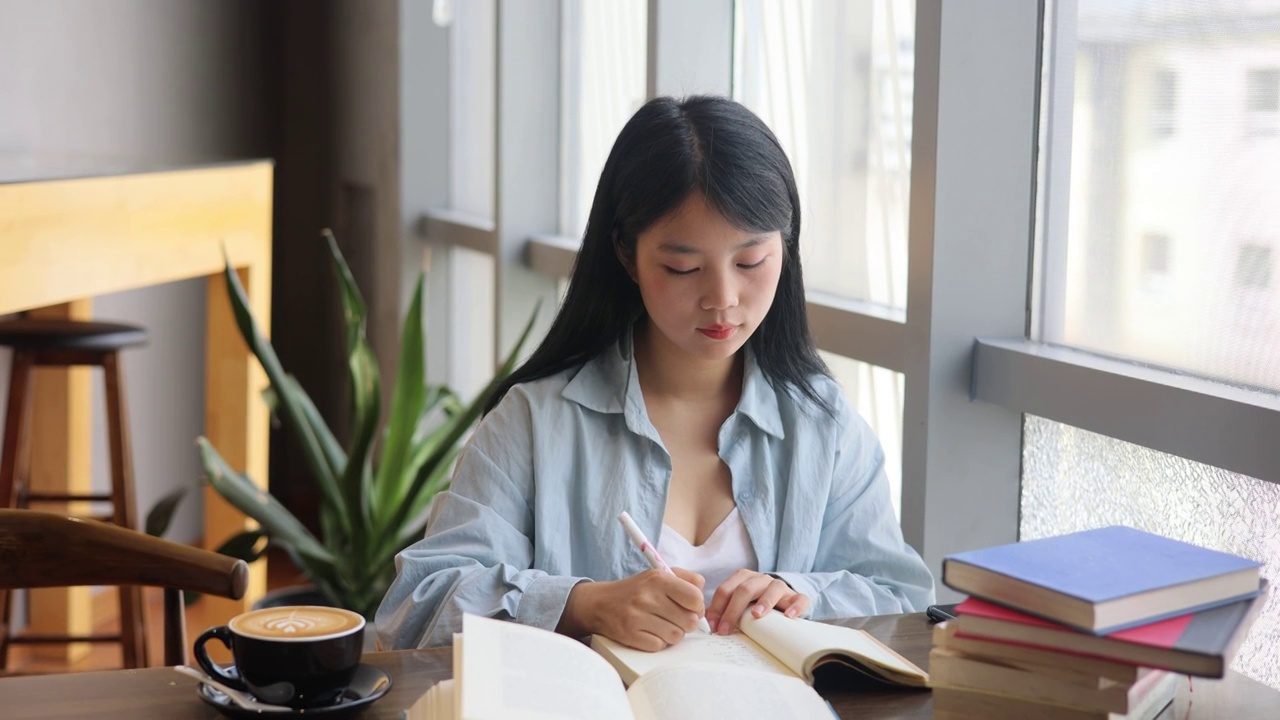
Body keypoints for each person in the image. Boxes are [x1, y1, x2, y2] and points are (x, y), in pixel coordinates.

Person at [376, 95, 934, 652]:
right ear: (626, 254)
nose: (722, 298)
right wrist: (580, 605)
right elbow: (416, 606)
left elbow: (903, 597)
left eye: (750, 262)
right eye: (683, 267)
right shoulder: (534, 420)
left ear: (785, 246)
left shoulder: (824, 424)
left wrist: (801, 593)